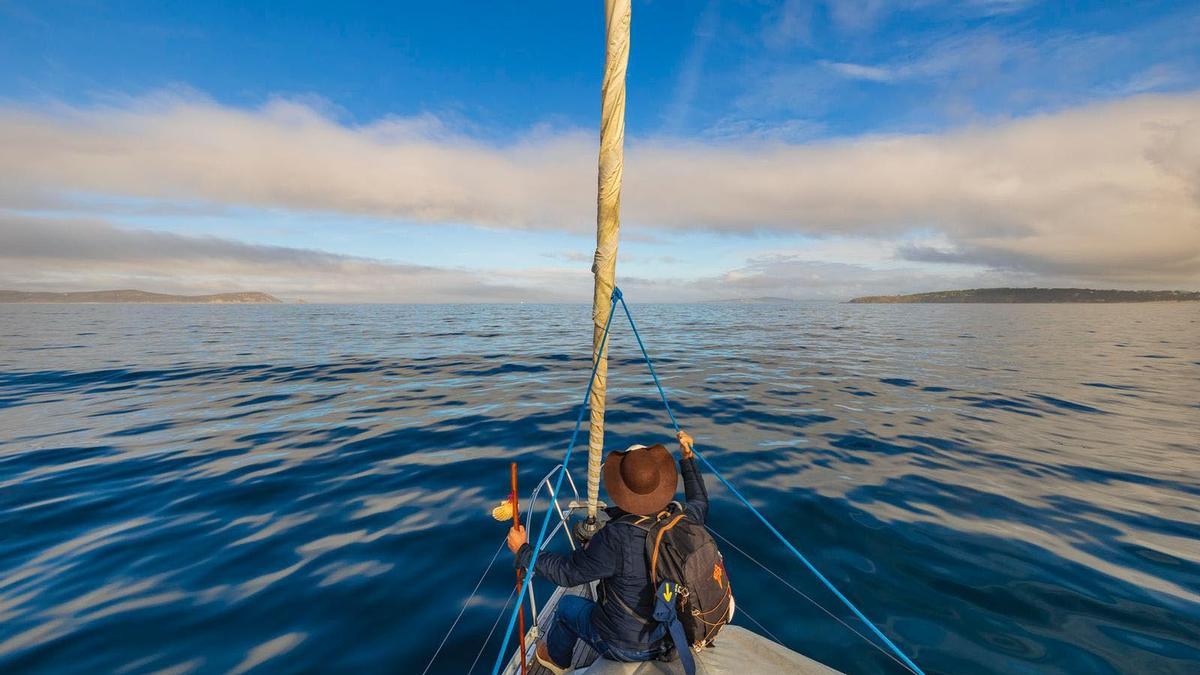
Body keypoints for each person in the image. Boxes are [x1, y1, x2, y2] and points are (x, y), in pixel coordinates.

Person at [507, 430, 708, 674]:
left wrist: (523, 551)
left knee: (567, 608)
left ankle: (557, 660)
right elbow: (700, 501)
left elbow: (568, 573)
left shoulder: (616, 537)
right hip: (673, 635)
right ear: (660, 482)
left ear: (621, 487)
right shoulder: (683, 518)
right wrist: (688, 458)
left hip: (629, 647)